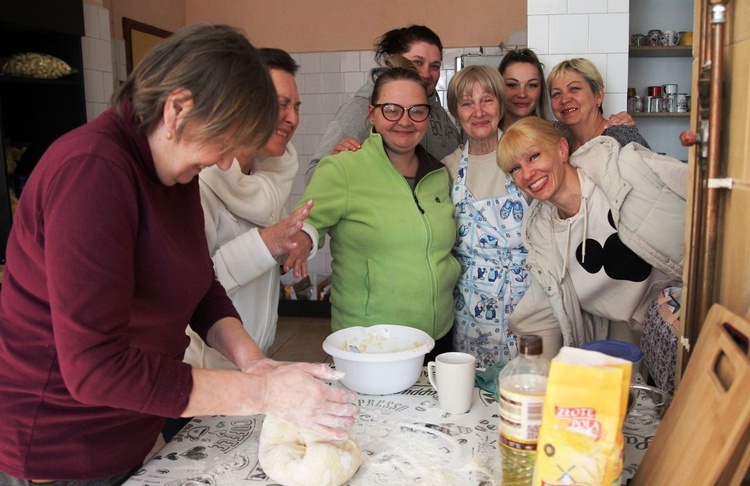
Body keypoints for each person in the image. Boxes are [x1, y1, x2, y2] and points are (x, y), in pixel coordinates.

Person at [0, 24, 357, 485]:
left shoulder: (172, 172)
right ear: (177, 110)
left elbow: (198, 285)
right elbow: (95, 369)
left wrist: (254, 361)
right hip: (60, 449)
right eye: (224, 142)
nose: (226, 162)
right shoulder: (91, 174)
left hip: (128, 431)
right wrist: (261, 392)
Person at [290, 55, 460, 363]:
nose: (405, 121)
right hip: (370, 341)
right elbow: (309, 219)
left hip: (438, 336)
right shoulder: (343, 168)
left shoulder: (439, 175)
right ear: (371, 114)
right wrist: (304, 237)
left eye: (416, 111)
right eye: (391, 110)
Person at [497, 117, 687, 351]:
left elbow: (707, 189)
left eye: (534, 156)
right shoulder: (542, 234)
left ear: (561, 149)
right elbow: (550, 292)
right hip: (628, 345)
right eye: (515, 168)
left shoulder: (625, 167)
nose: (527, 173)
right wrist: (521, 324)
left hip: (695, 313)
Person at [184, 48, 316, 368]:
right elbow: (189, 287)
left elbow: (271, 240)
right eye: (280, 105)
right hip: (202, 371)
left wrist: (301, 237)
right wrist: (268, 242)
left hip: (252, 357)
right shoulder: (196, 183)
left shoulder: (263, 178)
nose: (293, 119)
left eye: (296, 106)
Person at [441, 65, 531, 367]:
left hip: (526, 309)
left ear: (501, 105)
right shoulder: (447, 168)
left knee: (524, 392)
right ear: (456, 111)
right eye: (467, 103)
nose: (478, 112)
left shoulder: (527, 158)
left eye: (487, 100)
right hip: (469, 311)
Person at [304, 25, 463, 183]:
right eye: (417, 62)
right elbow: (314, 176)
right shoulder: (360, 108)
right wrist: (336, 164)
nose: (427, 74)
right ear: (394, 61)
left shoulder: (435, 108)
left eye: (434, 66)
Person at [499, 48, 635, 134]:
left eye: (532, 85)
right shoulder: (486, 132)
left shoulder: (557, 132)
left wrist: (622, 126)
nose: (522, 94)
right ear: (498, 87)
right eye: (512, 85)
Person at [547, 57, 650, 153]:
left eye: (574, 89)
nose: (564, 99)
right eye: (556, 94)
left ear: (599, 95)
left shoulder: (621, 136)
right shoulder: (560, 141)